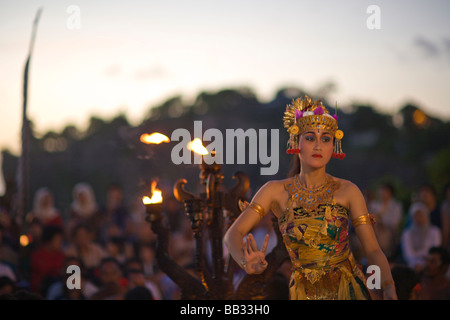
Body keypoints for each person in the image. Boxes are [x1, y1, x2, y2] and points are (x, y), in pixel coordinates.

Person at [224, 96, 397, 300]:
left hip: (348, 291)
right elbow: (232, 235)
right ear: (296, 142)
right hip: (303, 293)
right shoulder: (274, 190)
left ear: (334, 146)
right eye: (310, 138)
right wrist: (246, 262)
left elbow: (373, 250)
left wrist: (388, 288)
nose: (318, 146)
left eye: (325, 139)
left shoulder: (348, 191)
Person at [400, 202, 441, 271]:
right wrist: (415, 264)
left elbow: (434, 252)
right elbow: (408, 255)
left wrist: (424, 264)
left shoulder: (435, 232)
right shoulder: (407, 233)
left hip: (431, 266)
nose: (419, 218)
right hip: (412, 267)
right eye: (416, 215)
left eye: (421, 215)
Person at [368, 183, 403, 259]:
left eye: (385, 191)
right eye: (381, 191)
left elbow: (394, 223)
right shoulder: (374, 205)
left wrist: (380, 219)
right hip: (375, 229)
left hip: (390, 232)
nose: (382, 193)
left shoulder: (396, 206)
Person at [29, 225, 66, 296]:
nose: (60, 242)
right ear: (49, 240)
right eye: (58, 239)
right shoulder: (37, 256)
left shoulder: (61, 255)